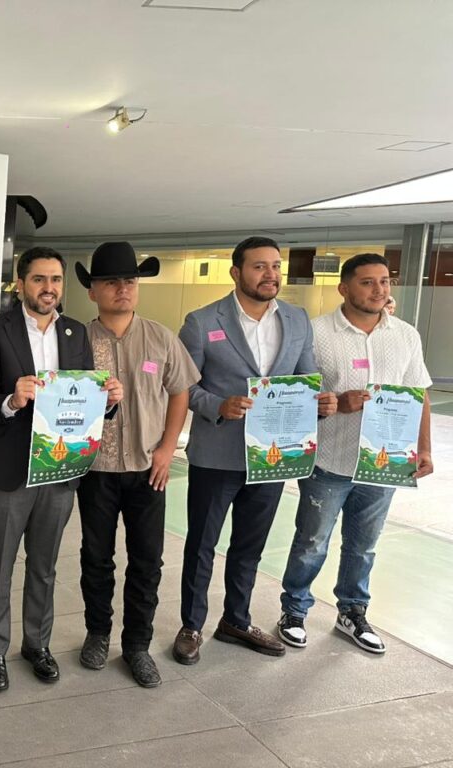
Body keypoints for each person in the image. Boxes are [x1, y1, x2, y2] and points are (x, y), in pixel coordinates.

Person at [174, 236, 337, 665]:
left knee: (250, 545)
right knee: (202, 544)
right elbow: (183, 386)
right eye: (259, 266)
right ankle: (191, 625)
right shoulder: (202, 321)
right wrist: (217, 405)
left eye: (275, 266)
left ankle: (236, 620)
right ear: (236, 272)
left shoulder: (297, 320)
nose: (270, 274)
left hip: (271, 456)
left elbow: (306, 379)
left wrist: (319, 404)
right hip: (217, 455)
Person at [0, 246, 122, 692]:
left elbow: (86, 397)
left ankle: (37, 644)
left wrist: (108, 401)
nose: (49, 288)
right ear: (21, 284)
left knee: (44, 564)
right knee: (0, 563)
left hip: (59, 468)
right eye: (39, 279)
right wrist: (11, 399)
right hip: (9, 467)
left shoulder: (75, 332)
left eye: (56, 279)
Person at [277, 253, 433, 653]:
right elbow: (293, 393)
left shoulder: (406, 335)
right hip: (329, 461)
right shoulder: (316, 333)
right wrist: (334, 402)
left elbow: (418, 394)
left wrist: (424, 448)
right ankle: (294, 610)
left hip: (383, 465)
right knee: (311, 542)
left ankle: (352, 611)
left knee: (363, 545)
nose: (379, 289)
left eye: (384, 281)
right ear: (344, 288)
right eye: (367, 282)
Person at [74, 242, 200, 687]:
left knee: (147, 561)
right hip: (95, 470)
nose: (122, 288)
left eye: (129, 280)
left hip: (150, 469)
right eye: (111, 282)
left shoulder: (161, 338)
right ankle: (97, 634)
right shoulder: (77, 342)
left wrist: (168, 448)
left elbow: (180, 391)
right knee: (96, 557)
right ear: (92, 291)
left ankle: (137, 645)